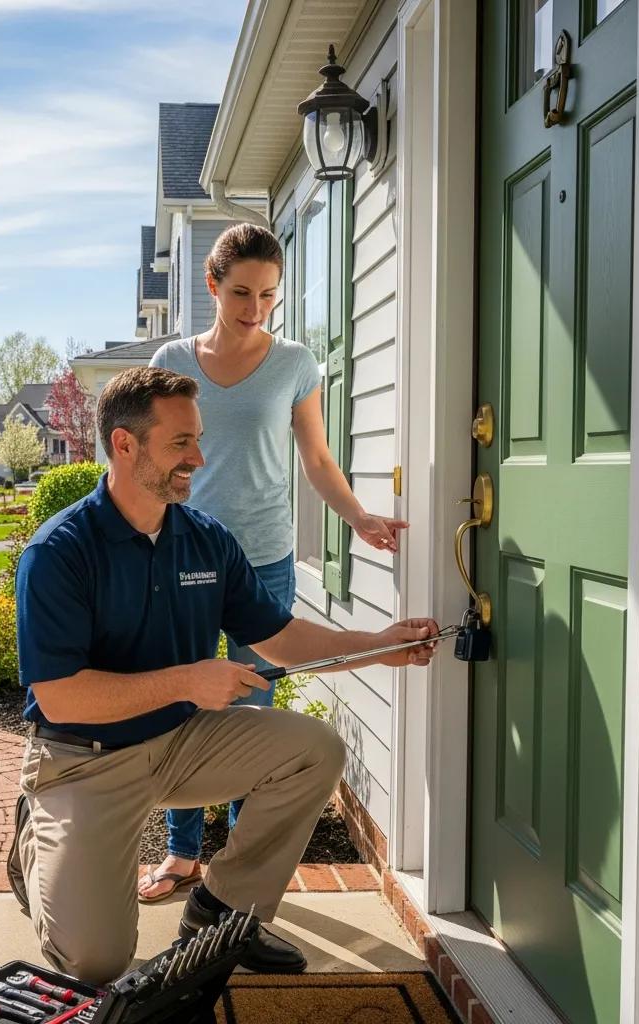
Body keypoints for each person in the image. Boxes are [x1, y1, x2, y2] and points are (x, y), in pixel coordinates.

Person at [6, 367, 440, 985]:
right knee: (96, 961)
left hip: (182, 743)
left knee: (313, 750)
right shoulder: (60, 551)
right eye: (181, 442)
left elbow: (282, 637)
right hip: (85, 759)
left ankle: (224, 912)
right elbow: (59, 695)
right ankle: (38, 841)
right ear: (124, 445)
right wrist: (186, 681)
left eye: (198, 438)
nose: (199, 457)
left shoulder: (207, 540)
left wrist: (376, 647)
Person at [138, 222, 409, 903]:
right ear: (212, 285)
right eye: (240, 293)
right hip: (184, 554)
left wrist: (360, 517)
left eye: (267, 295)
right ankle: (180, 853)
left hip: (262, 557)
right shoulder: (174, 358)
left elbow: (316, 457)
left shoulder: (294, 364)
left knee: (254, 714)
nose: (254, 308)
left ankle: (241, 868)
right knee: (185, 702)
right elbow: (154, 454)